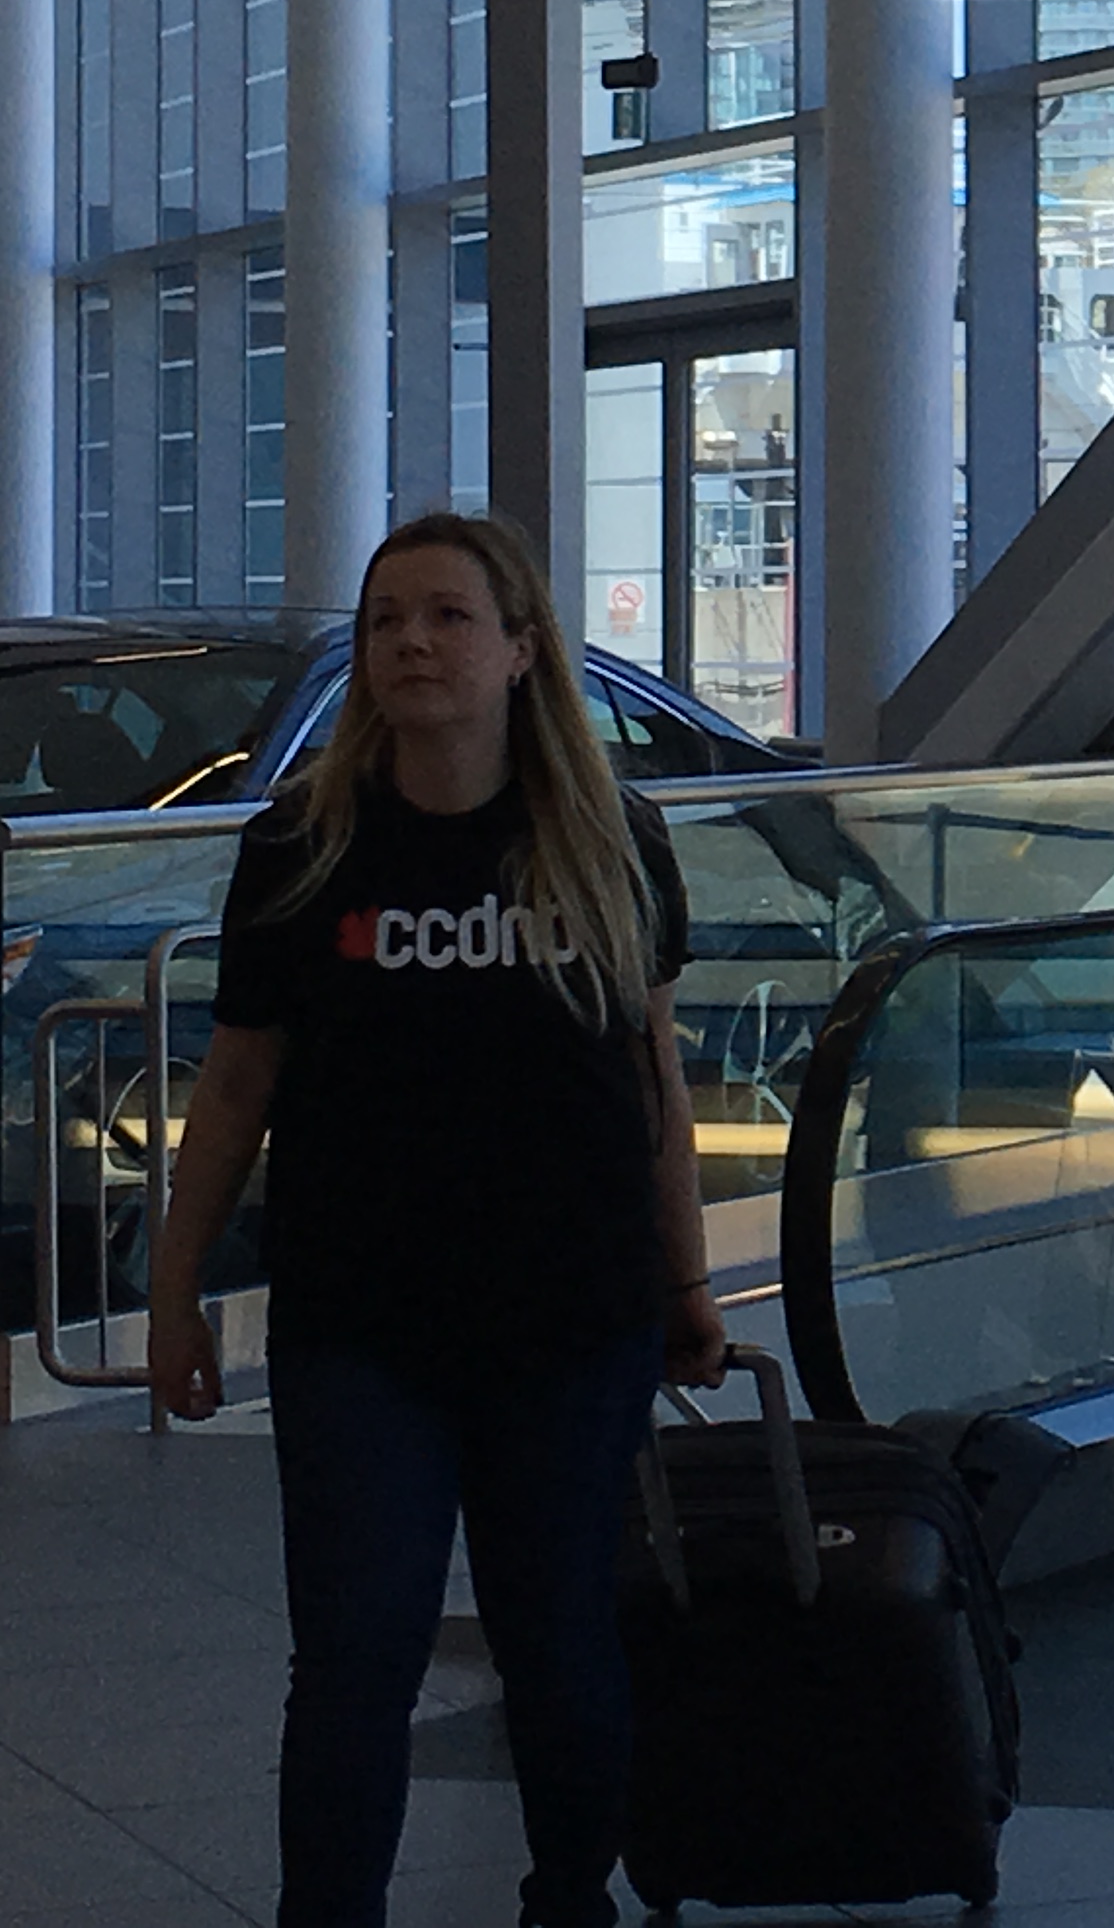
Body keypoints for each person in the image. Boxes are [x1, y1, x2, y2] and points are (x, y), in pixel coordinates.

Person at [146, 512, 726, 1928]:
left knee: (559, 1638)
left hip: (572, 1317)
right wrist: (170, 1296)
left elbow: (654, 1078)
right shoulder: (304, 843)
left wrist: (688, 1282)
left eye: (450, 617)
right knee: (354, 1653)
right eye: (386, 619)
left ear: (524, 650)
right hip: (363, 1323)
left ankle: (568, 1899)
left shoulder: (611, 842)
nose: (412, 643)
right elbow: (235, 1089)